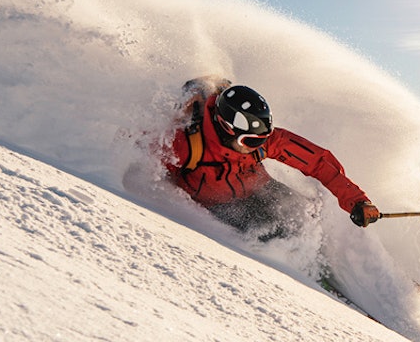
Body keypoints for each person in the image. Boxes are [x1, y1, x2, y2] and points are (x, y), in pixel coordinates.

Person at [163, 76, 380, 234]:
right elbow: (147, 164)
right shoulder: (186, 145)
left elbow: (318, 162)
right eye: (251, 141)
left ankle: (337, 261)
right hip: (220, 207)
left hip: (262, 188)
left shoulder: (264, 141)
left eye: (263, 139)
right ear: (226, 128)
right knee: (272, 232)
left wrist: (357, 201)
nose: (258, 146)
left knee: (307, 214)